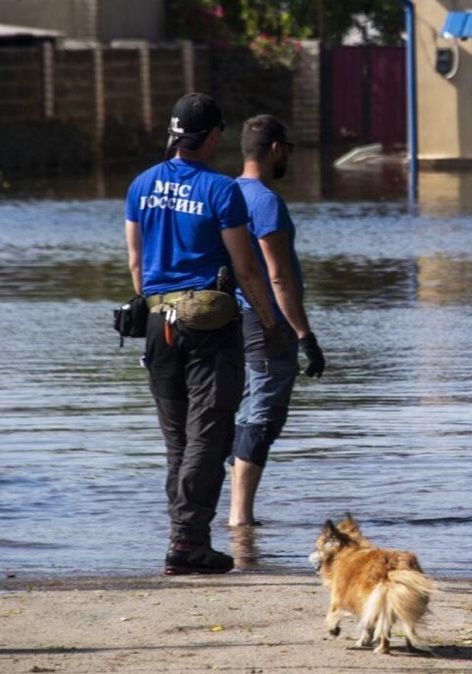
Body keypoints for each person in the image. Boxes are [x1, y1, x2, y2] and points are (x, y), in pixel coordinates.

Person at [124, 93, 280, 574]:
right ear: (212, 136)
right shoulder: (220, 190)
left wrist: (158, 301)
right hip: (209, 329)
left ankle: (183, 538)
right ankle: (188, 543)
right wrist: (269, 323)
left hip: (157, 324)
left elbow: (135, 262)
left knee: (178, 440)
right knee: (208, 438)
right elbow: (246, 266)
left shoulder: (141, 184)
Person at [227, 114, 326, 528]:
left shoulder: (226, 191)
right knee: (262, 415)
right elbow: (278, 276)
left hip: (235, 321)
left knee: (246, 410)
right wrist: (305, 335)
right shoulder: (265, 201)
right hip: (265, 322)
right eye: (287, 149)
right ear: (274, 150)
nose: (287, 156)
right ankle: (240, 517)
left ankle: (236, 516)